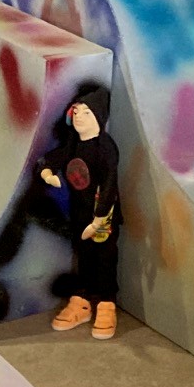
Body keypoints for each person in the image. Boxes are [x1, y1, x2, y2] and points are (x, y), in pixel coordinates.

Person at [39, 88, 123, 339]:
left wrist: (99, 219)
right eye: (76, 112)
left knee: (105, 256)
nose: (79, 117)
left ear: (98, 116)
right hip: (80, 212)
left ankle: (107, 302)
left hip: (103, 216)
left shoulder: (105, 147)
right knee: (83, 255)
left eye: (86, 113)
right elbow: (55, 157)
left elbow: (110, 184)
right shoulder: (74, 144)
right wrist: (48, 172)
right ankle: (82, 300)